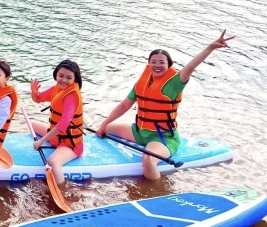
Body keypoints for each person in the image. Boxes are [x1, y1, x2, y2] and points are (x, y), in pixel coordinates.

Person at [97, 31, 235, 180]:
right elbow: (125, 105)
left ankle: (156, 190)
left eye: (161, 62)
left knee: (148, 159)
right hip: (140, 132)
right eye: (153, 62)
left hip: (163, 137)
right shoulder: (143, 83)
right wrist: (105, 123)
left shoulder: (175, 83)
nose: (157, 65)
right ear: (149, 64)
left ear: (169, 65)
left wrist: (211, 47)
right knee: (107, 129)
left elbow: (191, 66)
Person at [29, 60, 84, 187]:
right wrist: (34, 92)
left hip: (70, 144)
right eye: (61, 76)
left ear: (75, 79)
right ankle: (52, 142)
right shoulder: (57, 89)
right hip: (56, 138)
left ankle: (61, 190)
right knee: (33, 124)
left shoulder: (71, 96)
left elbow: (63, 125)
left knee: (53, 161)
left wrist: (41, 141)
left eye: (69, 77)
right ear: (56, 75)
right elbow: (38, 99)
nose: (64, 80)